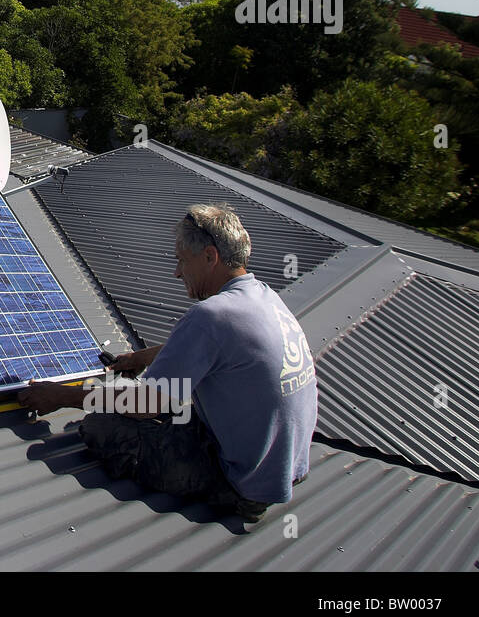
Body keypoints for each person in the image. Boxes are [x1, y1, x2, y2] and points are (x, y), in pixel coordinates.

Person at [18, 203, 318, 522]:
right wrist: (141, 358)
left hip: (241, 483)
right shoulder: (263, 297)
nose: (177, 273)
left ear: (209, 257)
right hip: (286, 467)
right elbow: (212, 347)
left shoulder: (211, 316)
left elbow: (147, 405)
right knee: (143, 398)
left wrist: (63, 396)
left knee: (100, 423)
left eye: (181, 261)